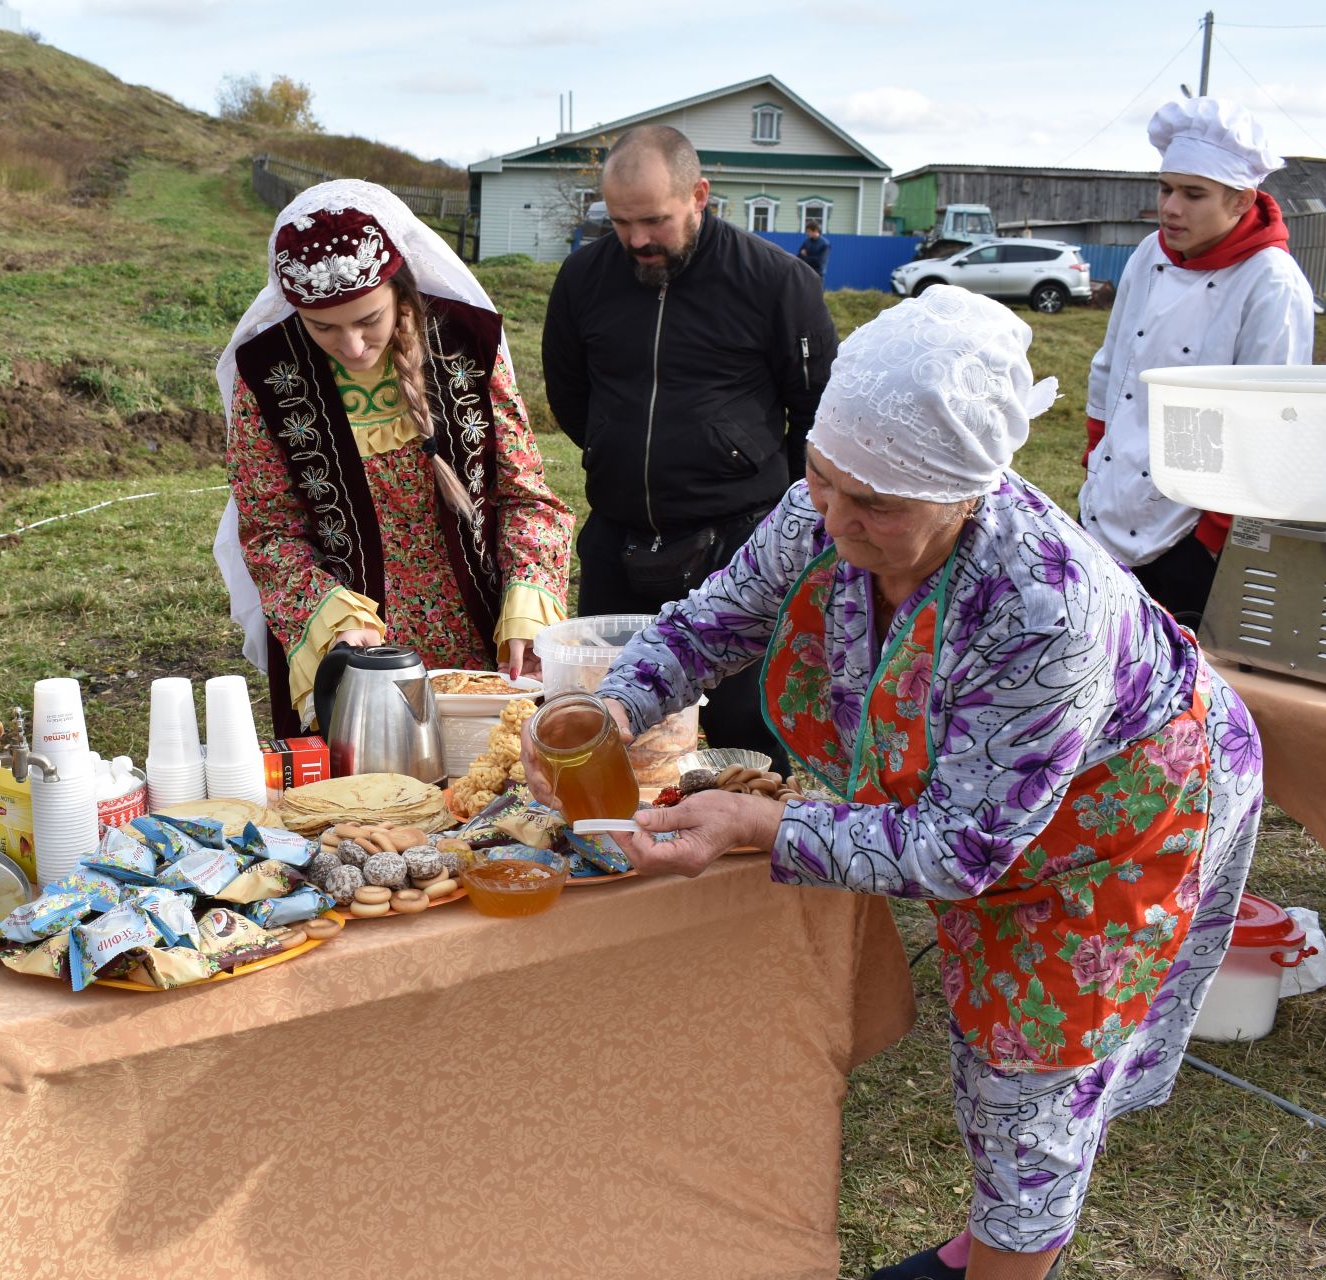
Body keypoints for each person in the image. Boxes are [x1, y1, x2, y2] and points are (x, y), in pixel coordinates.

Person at [528, 286, 1263, 1280]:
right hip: (986, 800)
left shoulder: (1046, 608)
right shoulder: (827, 505)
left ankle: (1009, 1253)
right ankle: (991, 1233)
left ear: (970, 488)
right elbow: (713, 622)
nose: (836, 520)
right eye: (824, 480)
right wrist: (615, 705)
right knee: (983, 1027)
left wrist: (760, 826)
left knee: (1034, 1066)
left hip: (1125, 817)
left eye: (874, 502)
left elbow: (956, 851)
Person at [213, 180, 573, 737]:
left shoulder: (464, 345)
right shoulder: (269, 374)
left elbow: (527, 498)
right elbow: (268, 531)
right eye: (323, 327)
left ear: (400, 288)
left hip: (482, 647)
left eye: (368, 319)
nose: (353, 346)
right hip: (354, 659)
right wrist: (328, 618)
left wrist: (528, 596)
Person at [543, 124, 835, 765]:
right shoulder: (584, 278)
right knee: (607, 736)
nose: (637, 240)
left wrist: (749, 488)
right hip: (619, 543)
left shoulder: (778, 283)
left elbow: (814, 414)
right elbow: (569, 397)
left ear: (699, 194)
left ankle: (744, 862)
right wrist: (614, 450)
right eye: (620, 223)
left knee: (743, 744)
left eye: (654, 220)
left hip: (737, 550)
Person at [1079, 97, 1314, 628]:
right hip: (1109, 504)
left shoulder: (1270, 282)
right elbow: (1110, 366)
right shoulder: (1148, 254)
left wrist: (1212, 535)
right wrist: (1096, 461)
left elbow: (1271, 425)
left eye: (1193, 194)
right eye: (1165, 189)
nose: (1171, 208)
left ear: (1240, 201)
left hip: (1191, 533)